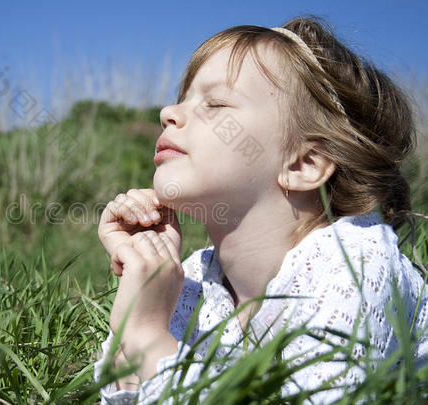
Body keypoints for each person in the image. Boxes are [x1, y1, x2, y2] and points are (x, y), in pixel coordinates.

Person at [93, 16, 428, 404]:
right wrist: (145, 276)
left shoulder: (357, 265)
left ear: (303, 165)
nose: (169, 111)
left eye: (215, 103)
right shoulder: (195, 278)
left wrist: (149, 336)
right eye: (182, 97)